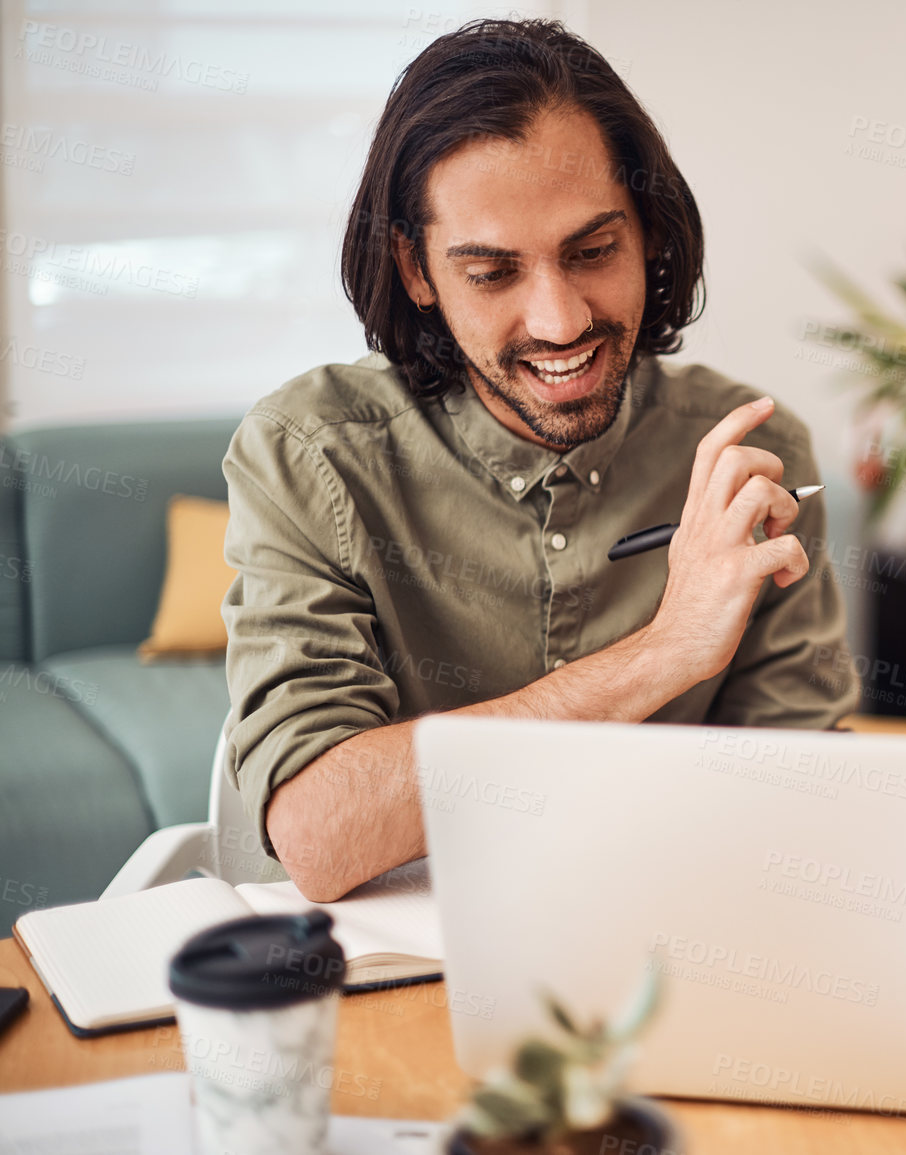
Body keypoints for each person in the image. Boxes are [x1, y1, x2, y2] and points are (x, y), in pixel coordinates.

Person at [222, 19, 857, 903]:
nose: (560, 321)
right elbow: (321, 835)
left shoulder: (749, 454)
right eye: (491, 272)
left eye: (594, 251)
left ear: (649, 234)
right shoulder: (311, 453)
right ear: (415, 269)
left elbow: (801, 818)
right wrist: (663, 651)